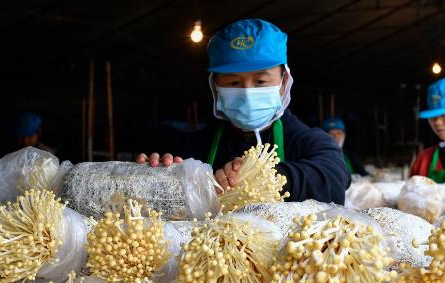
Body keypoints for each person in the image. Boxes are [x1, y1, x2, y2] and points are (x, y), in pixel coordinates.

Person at [137, 19, 350, 204]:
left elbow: (335, 176)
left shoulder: (308, 141)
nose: (247, 92)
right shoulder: (193, 148)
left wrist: (264, 177)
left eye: (261, 81)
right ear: (216, 88)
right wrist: (161, 173)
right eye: (233, 82)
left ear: (284, 82)